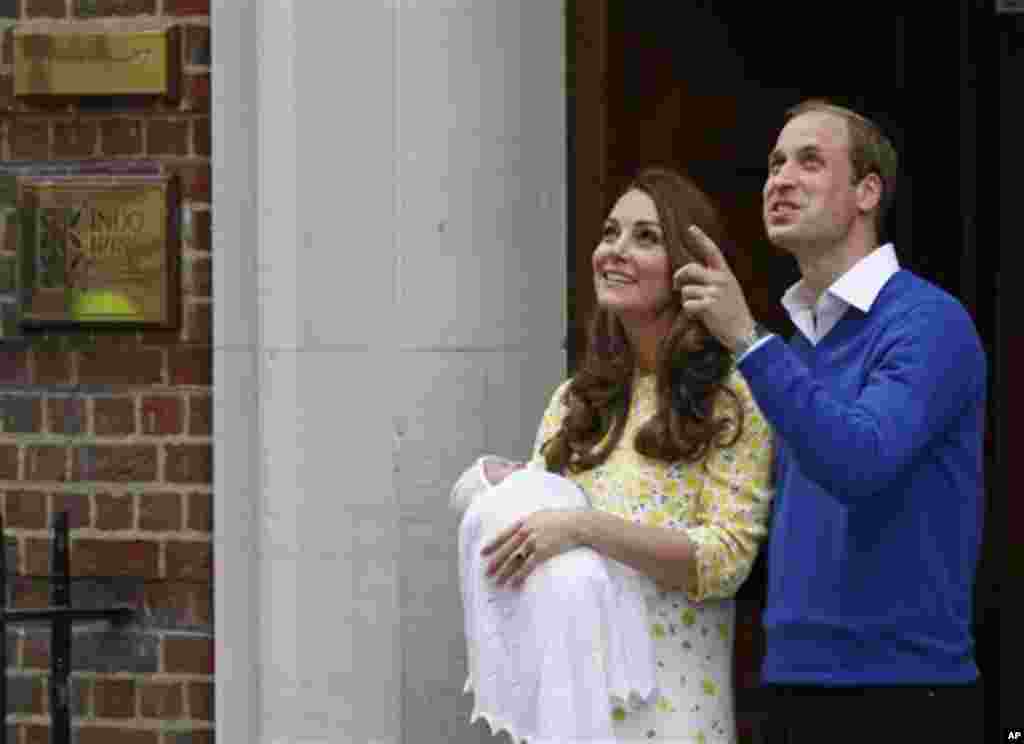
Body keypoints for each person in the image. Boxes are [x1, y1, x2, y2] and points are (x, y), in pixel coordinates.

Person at [672, 99, 987, 742]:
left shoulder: (928, 322)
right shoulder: (794, 349)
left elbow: (860, 461)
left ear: (868, 191)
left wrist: (745, 338)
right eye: (775, 163)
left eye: (809, 161)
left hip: (903, 693)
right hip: (790, 685)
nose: (780, 179)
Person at [482, 167, 775, 742]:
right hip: (569, 715)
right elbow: (536, 553)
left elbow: (724, 561)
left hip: (675, 713)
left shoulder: (732, 395)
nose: (615, 250)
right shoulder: (574, 401)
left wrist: (585, 527)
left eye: (646, 237)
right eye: (610, 232)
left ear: (688, 267)